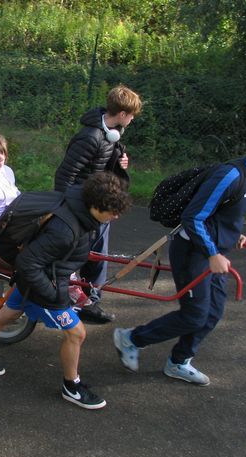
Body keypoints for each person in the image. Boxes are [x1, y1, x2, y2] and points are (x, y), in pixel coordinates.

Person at [113, 127, 246, 386]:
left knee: (212, 313)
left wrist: (233, 236)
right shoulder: (231, 175)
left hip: (212, 253)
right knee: (194, 315)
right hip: (193, 252)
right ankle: (131, 338)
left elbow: (224, 214)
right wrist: (212, 252)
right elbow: (193, 216)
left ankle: (179, 361)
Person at [0, 172, 130, 410]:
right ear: (95, 205)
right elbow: (28, 264)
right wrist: (53, 297)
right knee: (77, 333)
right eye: (112, 211)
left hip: (42, 279)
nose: (115, 216)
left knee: (7, 313)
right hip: (42, 287)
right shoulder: (65, 228)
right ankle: (72, 386)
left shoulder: (76, 206)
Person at [54, 84, 142, 323]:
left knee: (96, 256)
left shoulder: (110, 136)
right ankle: (73, 299)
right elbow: (65, 176)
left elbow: (99, 167)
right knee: (79, 255)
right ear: (122, 114)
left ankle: (91, 299)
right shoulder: (90, 137)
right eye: (132, 115)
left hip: (98, 205)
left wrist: (118, 162)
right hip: (83, 207)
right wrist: (67, 211)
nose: (132, 119)